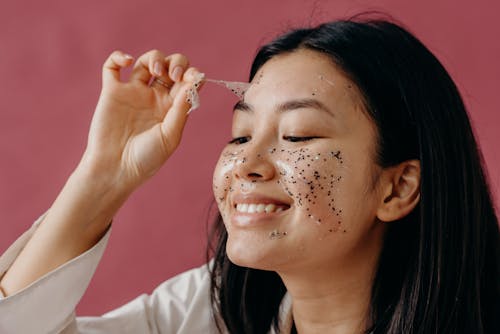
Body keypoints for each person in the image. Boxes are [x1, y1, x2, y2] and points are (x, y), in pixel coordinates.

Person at [0, 17, 498, 334]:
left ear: (397, 186)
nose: (246, 164)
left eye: (299, 136)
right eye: (240, 135)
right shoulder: (203, 314)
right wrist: (103, 175)